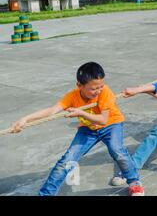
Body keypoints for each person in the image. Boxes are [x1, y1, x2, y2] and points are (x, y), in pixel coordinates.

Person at [9, 62, 145, 196]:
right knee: (66, 160)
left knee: (117, 150)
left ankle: (134, 183)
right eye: (93, 88)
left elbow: (103, 119)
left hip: (111, 125)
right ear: (79, 85)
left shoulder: (105, 92)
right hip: (88, 129)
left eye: (100, 86)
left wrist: (81, 113)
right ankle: (46, 193)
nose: (98, 91)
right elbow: (51, 111)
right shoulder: (72, 96)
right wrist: (25, 119)